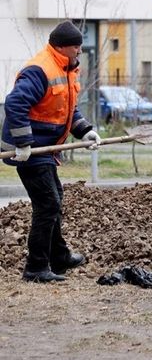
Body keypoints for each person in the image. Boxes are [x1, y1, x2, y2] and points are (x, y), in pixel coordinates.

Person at [1, 20, 101, 283]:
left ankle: (58, 257)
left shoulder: (66, 68)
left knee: (54, 198)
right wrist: (22, 144)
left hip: (46, 147)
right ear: (61, 47)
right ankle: (35, 268)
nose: (80, 52)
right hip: (30, 149)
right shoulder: (40, 69)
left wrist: (84, 130)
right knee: (48, 205)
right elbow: (14, 104)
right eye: (76, 48)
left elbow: (66, 109)